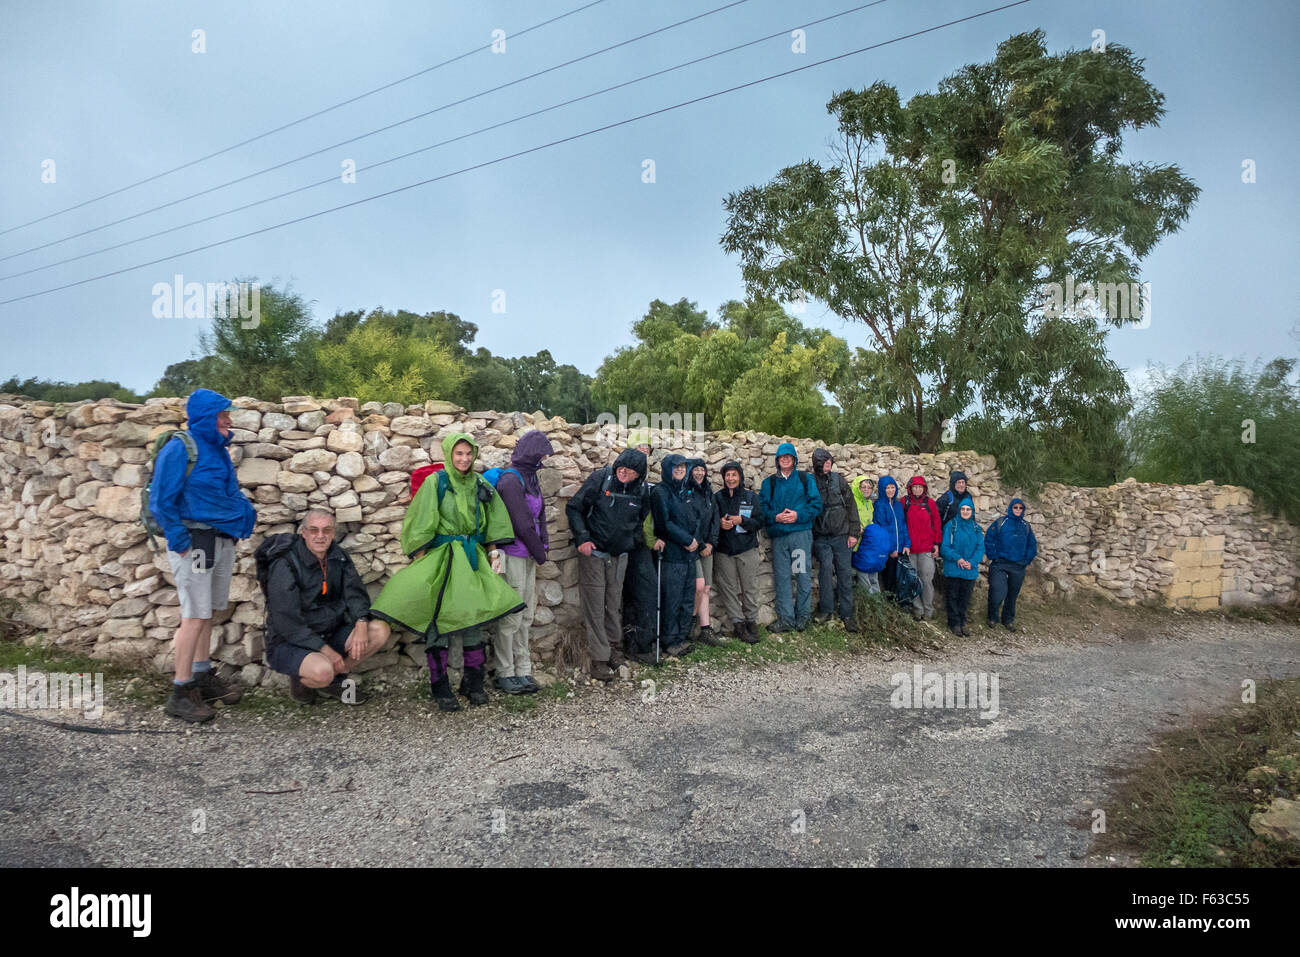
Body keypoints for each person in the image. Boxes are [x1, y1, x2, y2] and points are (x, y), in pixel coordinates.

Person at [368, 433, 523, 711]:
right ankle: (439, 686)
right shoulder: (435, 482)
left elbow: (493, 519)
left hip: (472, 558)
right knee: (437, 619)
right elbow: (421, 519)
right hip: (442, 557)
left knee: (473, 617)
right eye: (458, 454)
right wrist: (421, 557)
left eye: (468, 454)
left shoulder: (481, 484)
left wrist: (492, 552)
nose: (464, 459)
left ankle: (473, 682)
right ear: (450, 454)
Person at [148, 388, 257, 723]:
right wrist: (180, 541)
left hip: (219, 541)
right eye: (222, 415)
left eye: (228, 414)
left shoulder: (216, 448)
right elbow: (161, 501)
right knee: (194, 615)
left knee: (208, 611)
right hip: (195, 543)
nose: (228, 420)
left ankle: (201, 675)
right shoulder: (181, 448)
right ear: (206, 418)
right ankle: (180, 692)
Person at [263, 509, 385, 704]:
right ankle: (305, 682)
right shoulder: (285, 564)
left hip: (330, 632)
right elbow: (287, 622)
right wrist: (327, 652)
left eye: (326, 530)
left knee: (379, 631)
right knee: (322, 671)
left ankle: (335, 678)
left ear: (333, 532)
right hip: (292, 641)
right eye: (314, 530)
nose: (320, 536)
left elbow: (355, 593)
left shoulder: (337, 556)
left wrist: (361, 622)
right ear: (304, 533)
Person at [565, 447, 650, 681]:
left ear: (639, 474)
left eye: (630, 471)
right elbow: (574, 508)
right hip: (594, 554)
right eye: (621, 468)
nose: (623, 473)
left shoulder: (642, 490)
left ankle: (614, 650)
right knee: (595, 605)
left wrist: (629, 541)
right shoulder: (601, 479)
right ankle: (599, 658)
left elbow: (641, 518)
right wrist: (582, 538)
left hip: (620, 556)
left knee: (613, 604)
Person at [489, 430, 554, 694]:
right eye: (540, 454)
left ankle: (523, 669)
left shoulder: (531, 478)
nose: (542, 459)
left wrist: (543, 547)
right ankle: (504, 671)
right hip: (511, 555)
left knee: (525, 616)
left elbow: (540, 517)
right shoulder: (510, 480)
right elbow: (522, 523)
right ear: (530, 453)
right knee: (511, 617)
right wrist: (541, 553)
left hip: (527, 555)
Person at [759, 442, 822, 634]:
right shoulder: (769, 483)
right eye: (781, 457)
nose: (785, 459)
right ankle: (786, 619)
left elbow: (816, 505)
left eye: (788, 456)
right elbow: (762, 509)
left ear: (794, 459)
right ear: (777, 460)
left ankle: (802, 616)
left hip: (800, 535)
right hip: (779, 538)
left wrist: (797, 515)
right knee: (782, 577)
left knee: (802, 574)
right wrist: (775, 517)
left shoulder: (805, 479)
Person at [649, 453, 700, 657]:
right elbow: (664, 523)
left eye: (683, 467)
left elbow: (695, 518)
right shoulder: (661, 492)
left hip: (689, 555)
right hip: (672, 555)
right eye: (675, 467)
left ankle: (682, 636)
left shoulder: (685, 491)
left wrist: (695, 539)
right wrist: (687, 540)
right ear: (667, 469)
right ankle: (670, 640)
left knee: (688, 597)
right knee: (672, 598)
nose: (680, 470)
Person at [713, 461, 765, 643]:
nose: (730, 478)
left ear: (740, 477)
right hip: (724, 551)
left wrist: (741, 520)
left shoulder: (751, 497)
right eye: (727, 475)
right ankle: (738, 624)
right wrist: (721, 524)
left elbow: (759, 521)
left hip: (746, 548)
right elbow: (711, 522)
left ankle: (751, 622)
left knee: (749, 587)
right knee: (728, 589)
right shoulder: (717, 497)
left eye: (734, 475)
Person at [810, 449, 859, 632]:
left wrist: (854, 532)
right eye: (824, 461)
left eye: (829, 460)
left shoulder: (839, 480)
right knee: (825, 573)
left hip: (842, 535)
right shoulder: (811, 481)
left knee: (845, 575)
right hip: (821, 536)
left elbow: (851, 506)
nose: (828, 464)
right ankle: (826, 611)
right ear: (817, 463)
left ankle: (847, 614)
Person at [984, 497, 1038, 632]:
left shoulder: (1026, 526)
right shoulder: (1001, 523)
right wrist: (994, 556)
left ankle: (1008, 620)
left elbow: (1032, 545)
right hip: (1000, 564)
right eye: (1015, 507)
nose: (1018, 510)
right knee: (998, 591)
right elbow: (989, 539)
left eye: (1020, 508)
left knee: (1012, 594)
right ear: (1010, 508)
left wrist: (1026, 560)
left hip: (1018, 566)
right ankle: (992, 616)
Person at [685, 459, 722, 646]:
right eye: (696, 470)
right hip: (692, 547)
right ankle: (690, 623)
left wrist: (711, 543)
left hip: (708, 547)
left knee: (706, 588)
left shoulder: (709, 492)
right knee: (698, 587)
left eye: (702, 470)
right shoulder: (685, 492)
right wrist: (700, 545)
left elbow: (715, 519)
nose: (699, 473)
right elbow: (688, 521)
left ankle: (706, 629)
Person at [940, 499, 984, 636]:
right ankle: (954, 623)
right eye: (963, 509)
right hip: (953, 568)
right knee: (952, 596)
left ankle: (962, 621)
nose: (965, 512)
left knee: (965, 597)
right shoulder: (951, 525)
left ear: (972, 511)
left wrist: (972, 562)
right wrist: (957, 558)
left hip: (969, 569)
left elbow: (980, 548)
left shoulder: (976, 529)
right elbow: (944, 548)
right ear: (959, 510)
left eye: (968, 509)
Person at [903, 476, 942, 621]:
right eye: (915, 487)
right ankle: (917, 610)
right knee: (913, 581)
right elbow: (901, 524)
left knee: (926, 581)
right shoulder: (905, 503)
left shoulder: (930, 504)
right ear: (910, 488)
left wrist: (936, 544)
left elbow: (937, 525)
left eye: (920, 487)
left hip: (926, 550)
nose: (917, 489)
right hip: (910, 550)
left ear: (924, 488)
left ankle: (928, 611)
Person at [871, 475, 910, 596]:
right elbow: (882, 529)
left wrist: (907, 544)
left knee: (900, 579)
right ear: (882, 489)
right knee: (889, 578)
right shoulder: (879, 505)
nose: (890, 490)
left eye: (892, 487)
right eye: (887, 488)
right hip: (889, 550)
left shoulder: (898, 505)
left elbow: (903, 526)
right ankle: (890, 604)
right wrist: (891, 549)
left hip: (901, 549)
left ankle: (898, 603)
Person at [850, 475, 879, 593]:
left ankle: (872, 601)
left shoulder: (869, 503)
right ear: (857, 487)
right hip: (853, 543)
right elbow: (846, 518)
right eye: (863, 487)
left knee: (868, 573)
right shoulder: (852, 502)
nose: (866, 489)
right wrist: (856, 528)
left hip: (865, 544)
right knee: (858, 574)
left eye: (869, 487)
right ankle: (864, 601)